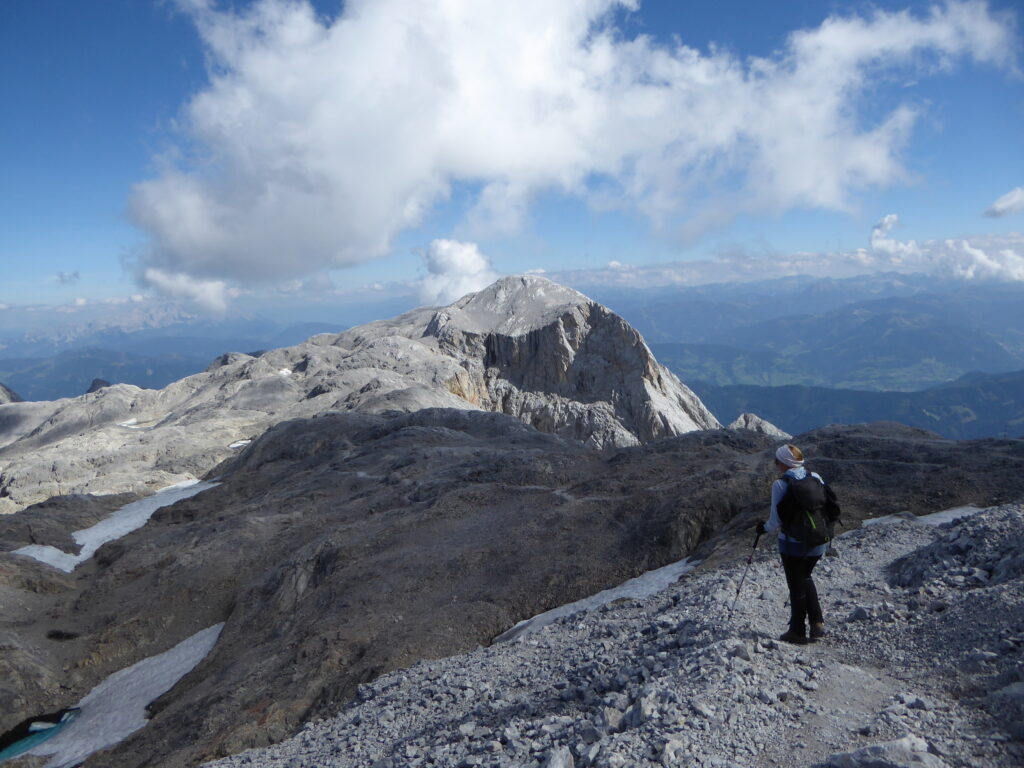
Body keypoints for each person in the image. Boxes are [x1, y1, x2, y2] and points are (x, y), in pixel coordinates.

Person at [756, 443, 830, 645]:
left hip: (792, 544)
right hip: (817, 542)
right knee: (806, 577)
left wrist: (762, 528)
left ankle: (797, 631)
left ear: (784, 463)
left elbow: (776, 520)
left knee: (796, 585)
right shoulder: (815, 478)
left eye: (777, 460)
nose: (775, 464)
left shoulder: (781, 484)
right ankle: (817, 623)